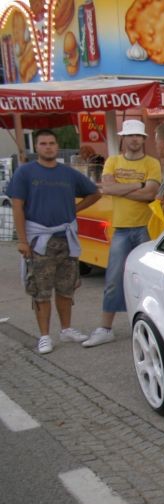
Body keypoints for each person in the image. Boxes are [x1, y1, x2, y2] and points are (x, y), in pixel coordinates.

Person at [10, 129, 102, 354]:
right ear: (36, 147)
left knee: (66, 287)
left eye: (51, 143)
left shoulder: (68, 173)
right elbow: (17, 207)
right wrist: (22, 240)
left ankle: (66, 329)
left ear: (57, 146)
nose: (48, 147)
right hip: (39, 240)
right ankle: (44, 336)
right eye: (43, 143)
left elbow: (94, 193)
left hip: (65, 238)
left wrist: (74, 210)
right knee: (41, 290)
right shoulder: (25, 173)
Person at [82, 119, 161, 348]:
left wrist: (121, 189)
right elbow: (107, 188)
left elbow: (151, 193)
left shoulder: (152, 163)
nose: (134, 139)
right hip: (121, 228)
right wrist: (138, 186)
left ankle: (151, 327)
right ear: (123, 139)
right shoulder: (112, 161)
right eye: (130, 136)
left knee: (147, 281)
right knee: (113, 279)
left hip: (146, 227)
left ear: (143, 139)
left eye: (138, 136)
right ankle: (105, 328)